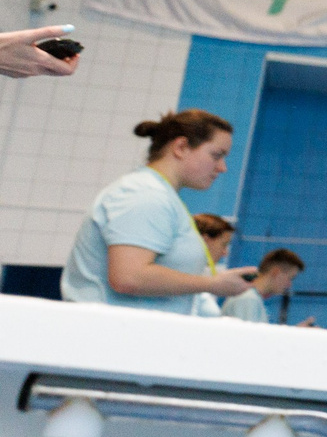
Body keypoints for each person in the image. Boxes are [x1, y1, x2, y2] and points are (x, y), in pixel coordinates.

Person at [61, 112, 258, 313]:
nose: (222, 168)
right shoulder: (145, 194)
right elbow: (129, 277)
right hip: (111, 334)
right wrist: (212, 284)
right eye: (216, 155)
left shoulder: (161, 196)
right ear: (181, 147)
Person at [220, 248, 307, 322]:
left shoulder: (253, 298)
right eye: (290, 278)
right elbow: (248, 340)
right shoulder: (248, 298)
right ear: (276, 272)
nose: (289, 285)